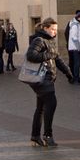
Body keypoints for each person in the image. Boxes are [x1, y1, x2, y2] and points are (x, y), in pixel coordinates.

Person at [26, 18, 73, 147]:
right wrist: (47, 55)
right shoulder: (39, 40)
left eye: (56, 29)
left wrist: (68, 72)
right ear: (45, 28)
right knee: (51, 104)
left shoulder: (50, 41)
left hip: (47, 78)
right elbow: (31, 55)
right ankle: (48, 135)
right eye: (52, 29)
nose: (55, 32)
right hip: (42, 78)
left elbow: (57, 59)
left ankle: (35, 136)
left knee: (41, 107)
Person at [65, 10, 80, 85]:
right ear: (78, 17)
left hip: (78, 48)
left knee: (77, 64)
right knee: (76, 64)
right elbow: (74, 37)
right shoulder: (75, 25)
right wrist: (78, 47)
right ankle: (76, 79)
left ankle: (77, 78)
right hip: (76, 48)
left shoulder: (79, 25)